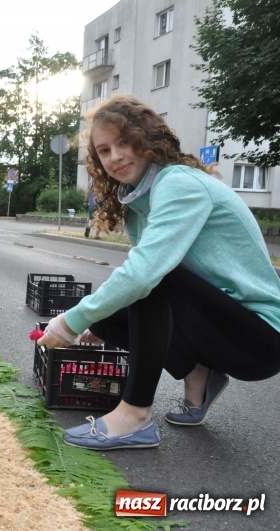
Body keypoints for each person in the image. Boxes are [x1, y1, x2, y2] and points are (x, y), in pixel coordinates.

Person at [37, 94, 280, 451]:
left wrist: (69, 321)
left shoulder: (179, 183)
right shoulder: (140, 197)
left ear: (147, 140)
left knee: (151, 279)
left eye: (124, 142)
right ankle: (200, 375)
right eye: (104, 151)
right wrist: (94, 319)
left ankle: (135, 416)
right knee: (106, 321)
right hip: (223, 325)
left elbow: (145, 274)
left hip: (261, 339)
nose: (115, 157)